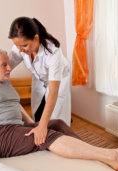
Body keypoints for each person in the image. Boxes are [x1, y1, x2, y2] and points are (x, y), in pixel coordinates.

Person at [8, 17, 71, 146]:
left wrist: (43, 126)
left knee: (54, 117)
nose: (20, 50)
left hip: (59, 80)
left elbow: (53, 91)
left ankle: (64, 138)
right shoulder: (20, 46)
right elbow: (6, 67)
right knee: (38, 114)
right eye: (16, 45)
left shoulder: (53, 52)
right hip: (40, 79)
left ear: (36, 38)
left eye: (24, 45)